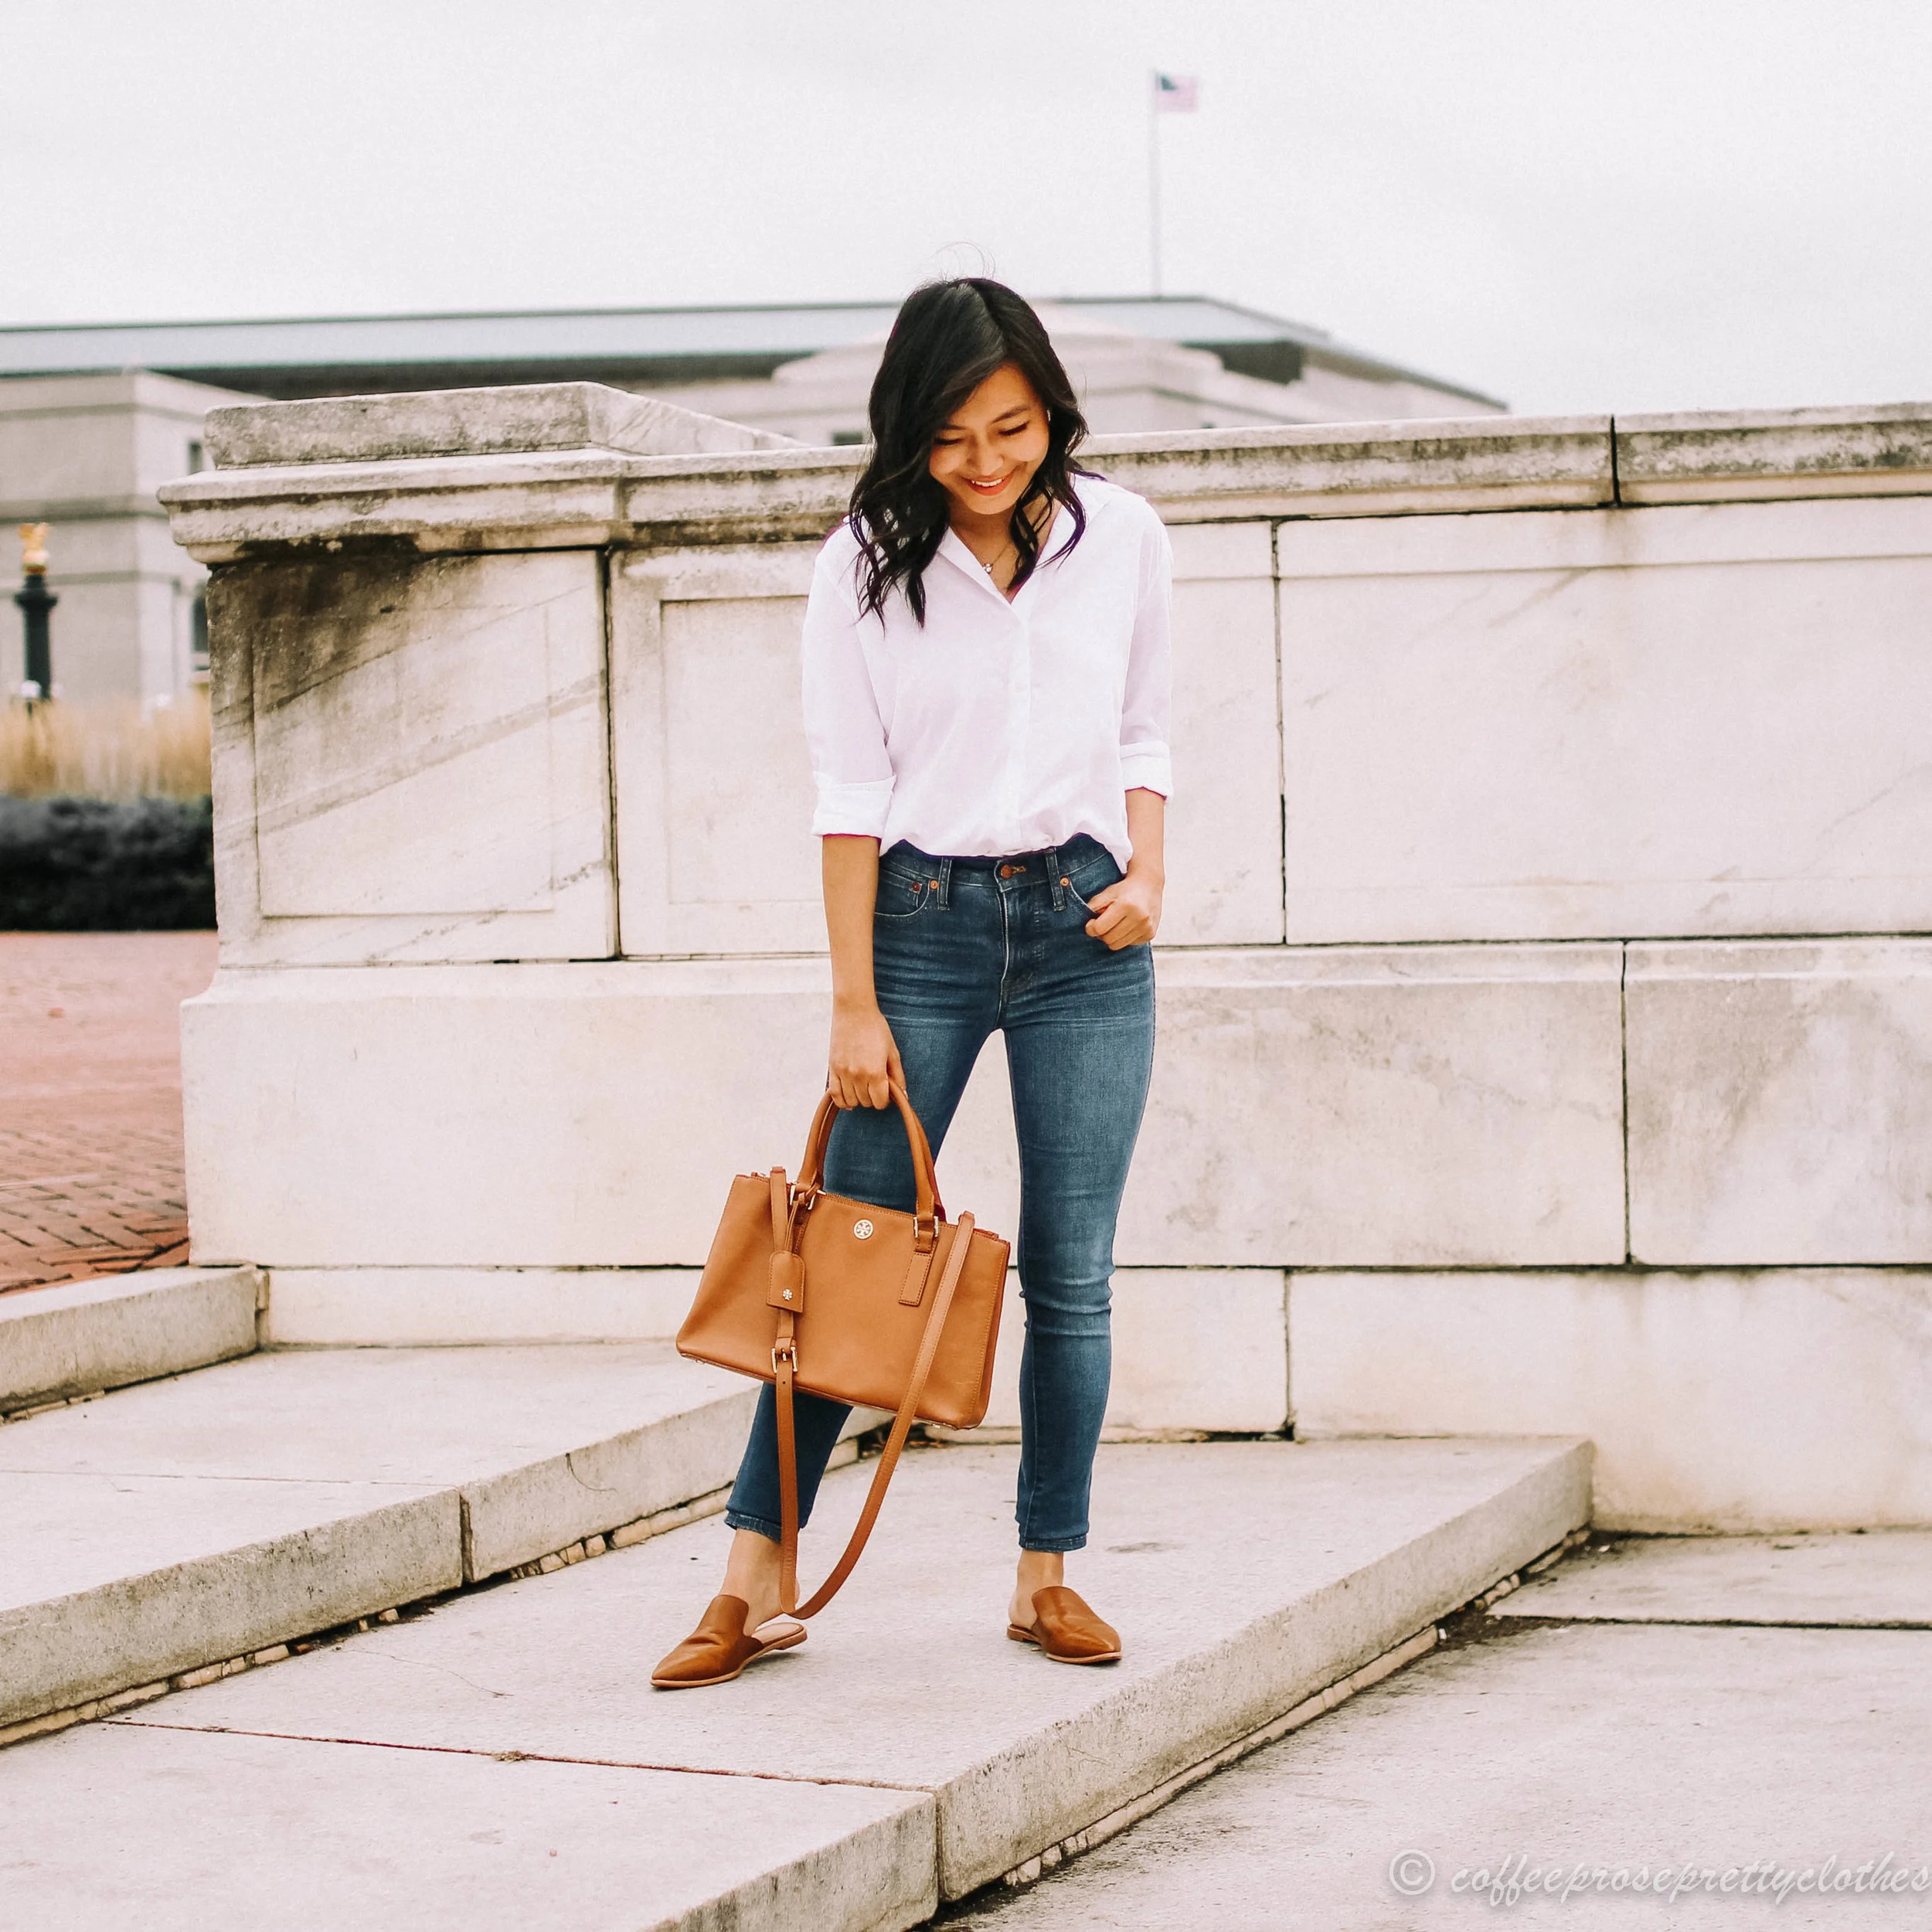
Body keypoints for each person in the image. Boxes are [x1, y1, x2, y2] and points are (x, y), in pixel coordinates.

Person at [653, 277, 1172, 1689]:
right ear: (910, 438)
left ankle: (1046, 1574)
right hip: (922, 928)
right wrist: (852, 1002)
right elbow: (849, 792)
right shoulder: (863, 562)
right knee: (835, 1267)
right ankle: (754, 1577)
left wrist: (1152, 872)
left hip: (1083, 933)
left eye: (1013, 428)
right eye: (954, 439)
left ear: (1051, 412)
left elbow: (1144, 725)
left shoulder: (1121, 535)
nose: (989, 462)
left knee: (1074, 1276)